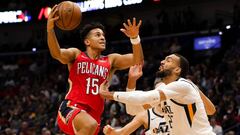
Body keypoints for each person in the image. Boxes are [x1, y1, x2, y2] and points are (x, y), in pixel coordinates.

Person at [47, 5, 144, 135]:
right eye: (97, 35)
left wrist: (135, 38)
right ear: (87, 41)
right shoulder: (76, 55)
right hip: (71, 107)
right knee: (89, 124)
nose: (102, 37)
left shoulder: (111, 60)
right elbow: (57, 53)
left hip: (94, 116)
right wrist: (50, 29)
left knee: (91, 124)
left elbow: (137, 60)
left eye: (103, 35)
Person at [100, 54, 216, 135]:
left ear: (177, 70)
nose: (162, 62)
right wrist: (132, 80)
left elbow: (144, 97)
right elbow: (133, 109)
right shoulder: (164, 92)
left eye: (168, 60)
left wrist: (108, 94)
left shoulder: (183, 85)